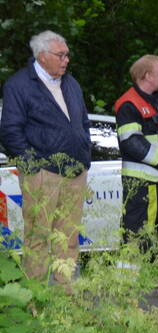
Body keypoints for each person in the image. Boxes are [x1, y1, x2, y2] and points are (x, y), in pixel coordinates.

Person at [0, 30, 90, 290]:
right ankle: (35, 299)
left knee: (69, 238)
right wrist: (34, 168)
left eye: (67, 55)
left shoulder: (71, 84)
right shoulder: (18, 85)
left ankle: (65, 297)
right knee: (38, 238)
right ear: (42, 55)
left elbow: (82, 123)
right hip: (43, 174)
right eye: (61, 55)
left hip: (75, 172)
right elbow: (10, 131)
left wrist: (84, 156)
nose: (66, 60)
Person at [114, 54, 158, 268]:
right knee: (136, 233)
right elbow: (130, 141)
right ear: (147, 76)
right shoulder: (128, 104)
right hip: (142, 183)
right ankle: (125, 285)